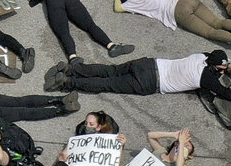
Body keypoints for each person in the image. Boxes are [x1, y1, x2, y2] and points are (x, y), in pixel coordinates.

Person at [45, 49, 231, 101]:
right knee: (108, 84)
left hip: (149, 64)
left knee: (110, 70)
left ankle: (71, 69)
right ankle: (67, 83)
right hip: (150, 82)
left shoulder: (201, 56)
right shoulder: (205, 79)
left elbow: (212, 63)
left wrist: (222, 67)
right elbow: (225, 93)